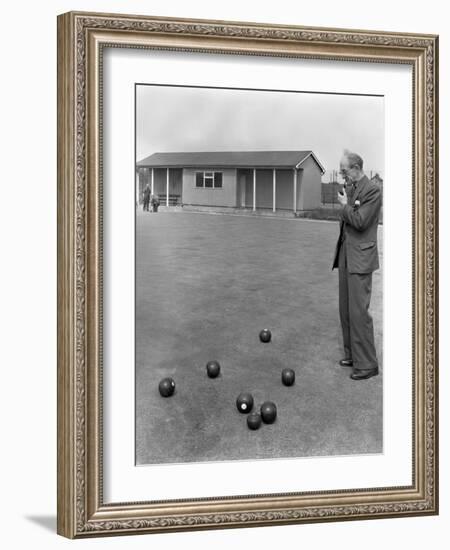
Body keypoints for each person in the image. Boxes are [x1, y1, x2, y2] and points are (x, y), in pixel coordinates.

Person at [332, 150, 382, 380]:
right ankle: (353, 355)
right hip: (346, 256)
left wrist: (344, 206)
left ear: (356, 167)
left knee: (359, 312)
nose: (343, 176)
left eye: (344, 171)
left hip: (361, 259)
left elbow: (360, 221)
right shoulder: (352, 188)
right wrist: (347, 204)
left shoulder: (372, 190)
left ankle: (368, 364)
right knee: (346, 310)